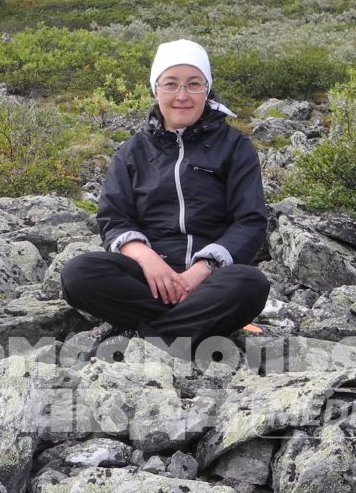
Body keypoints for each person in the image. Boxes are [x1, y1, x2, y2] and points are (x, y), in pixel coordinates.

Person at [61, 39, 270, 350]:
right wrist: (147, 259)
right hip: (147, 278)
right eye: (171, 84)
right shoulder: (132, 151)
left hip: (210, 280)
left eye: (194, 84)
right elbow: (113, 217)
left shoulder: (235, 146)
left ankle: (151, 338)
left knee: (251, 284)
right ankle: (188, 329)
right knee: (78, 274)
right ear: (156, 90)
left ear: (207, 90)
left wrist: (203, 269)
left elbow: (250, 221)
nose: (182, 96)